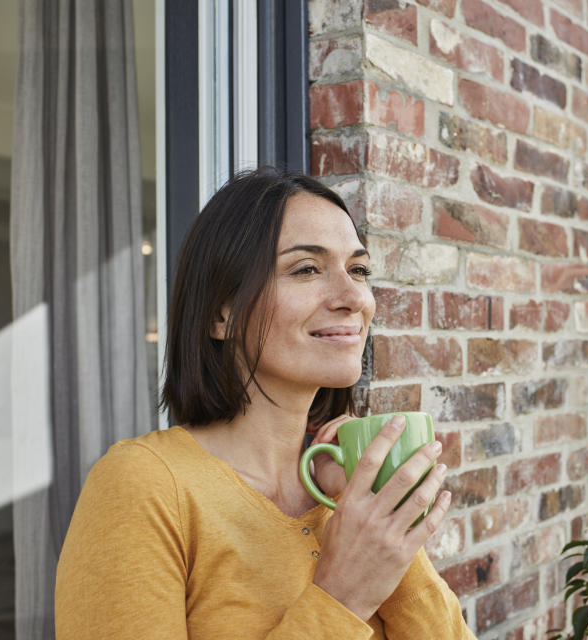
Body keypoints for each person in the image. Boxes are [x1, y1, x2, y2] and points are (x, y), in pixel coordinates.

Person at [55, 167, 475, 639]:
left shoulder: (339, 491)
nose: (353, 296)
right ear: (221, 314)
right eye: (306, 269)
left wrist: (384, 525)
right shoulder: (145, 486)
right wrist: (342, 596)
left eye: (358, 269)